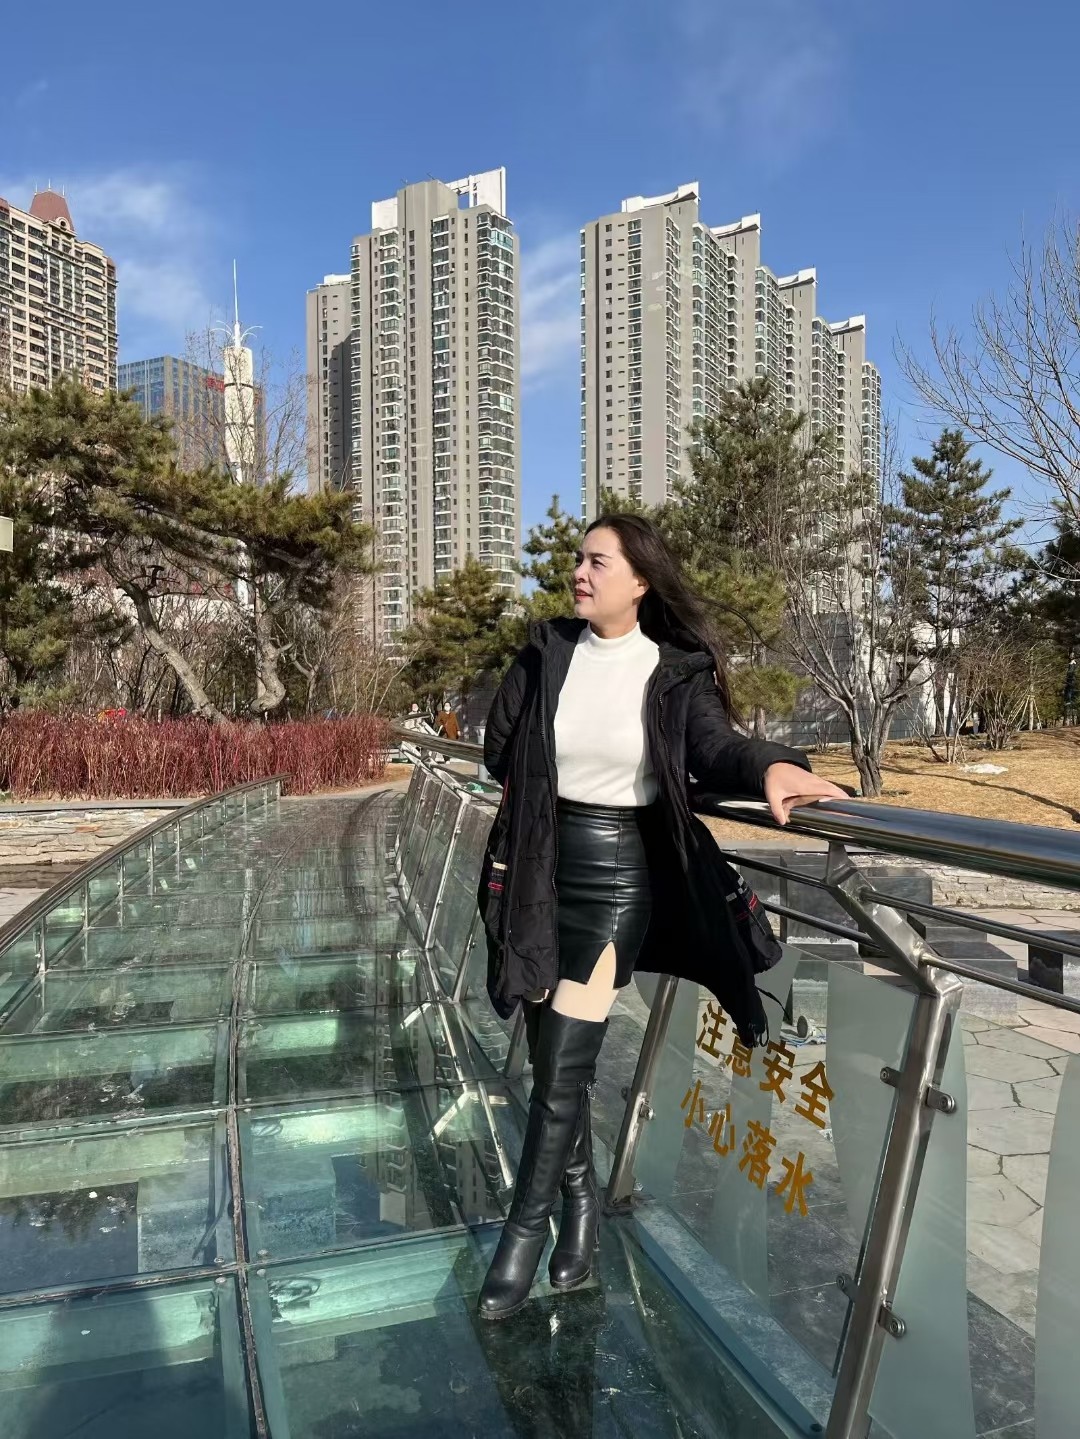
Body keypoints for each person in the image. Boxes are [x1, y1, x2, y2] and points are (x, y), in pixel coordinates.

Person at [475, 514, 846, 1321]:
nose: (579, 573)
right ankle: (580, 1202)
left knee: (563, 1068)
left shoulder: (671, 669)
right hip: (540, 869)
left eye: (597, 562)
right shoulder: (547, 651)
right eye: (578, 559)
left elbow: (715, 747)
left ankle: (522, 1235)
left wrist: (774, 764)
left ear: (640, 580)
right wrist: (517, 707)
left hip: (618, 877)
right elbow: (499, 750)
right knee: (552, 1061)